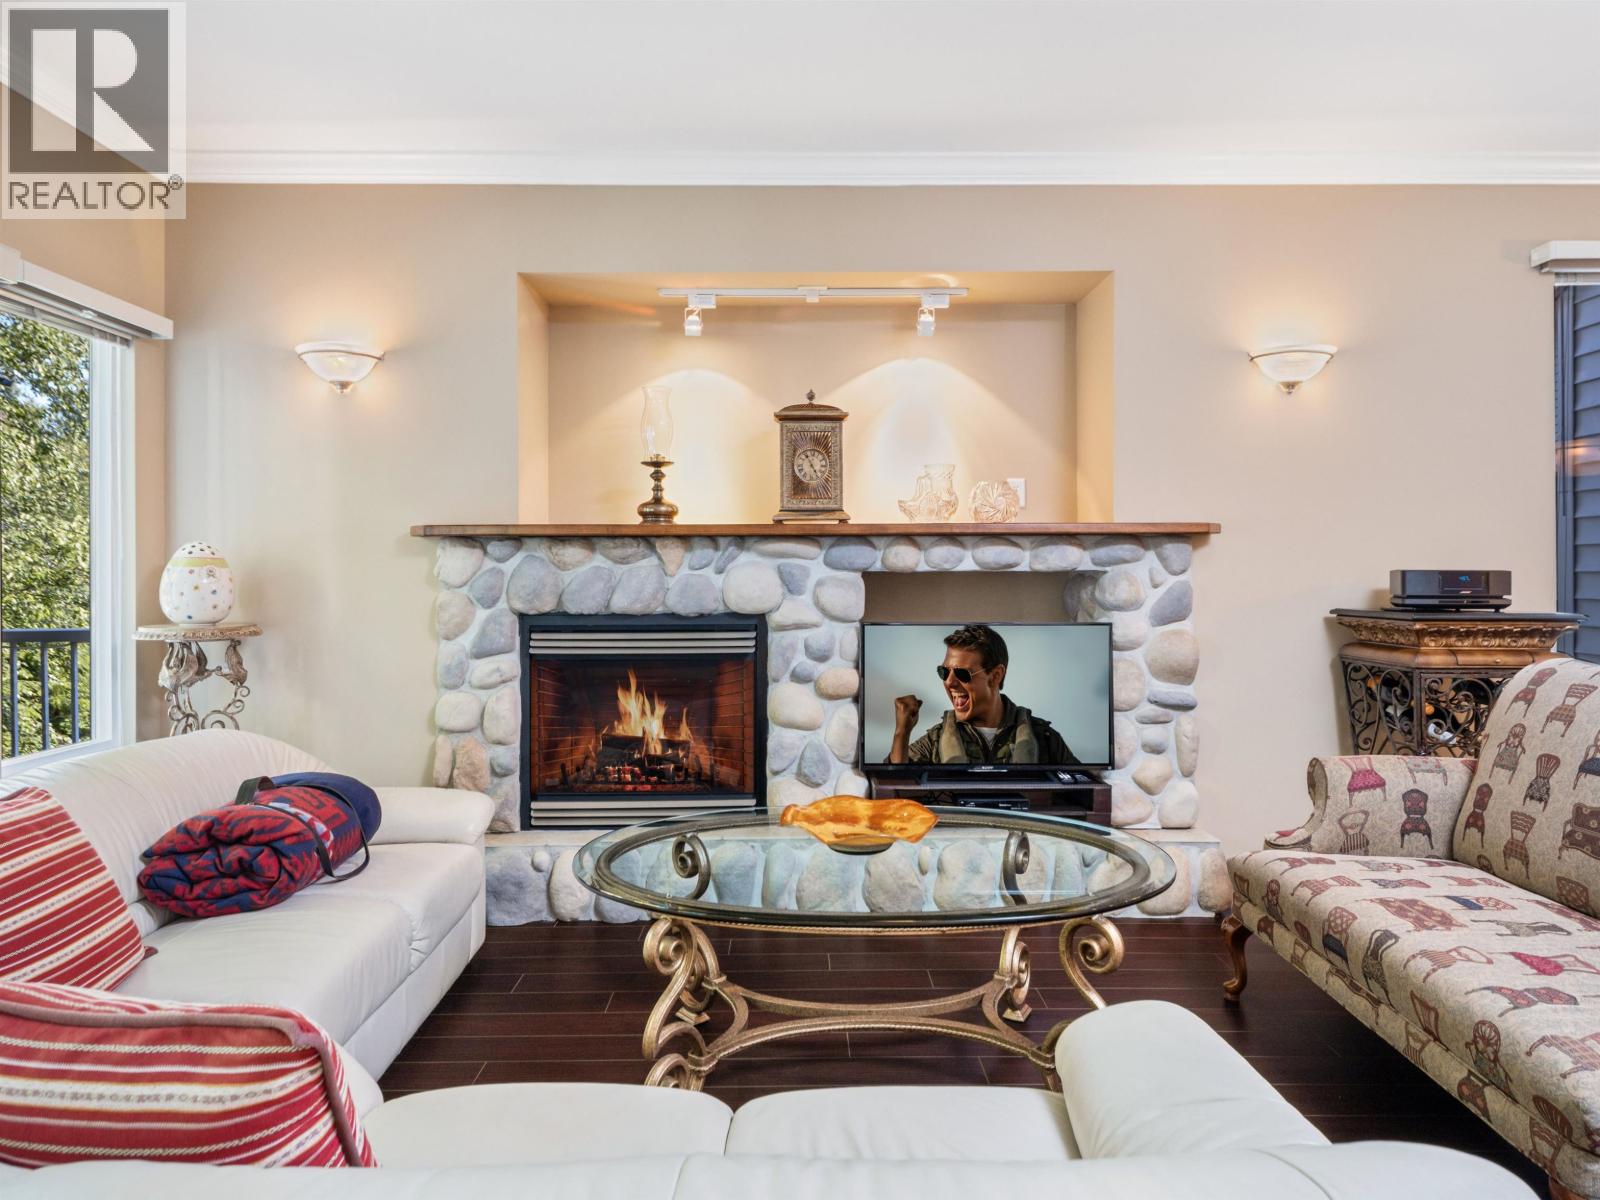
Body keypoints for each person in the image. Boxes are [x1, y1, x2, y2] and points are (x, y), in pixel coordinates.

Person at [889, 624, 1079, 765]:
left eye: (962, 673)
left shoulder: (1044, 738)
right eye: (944, 672)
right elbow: (894, 792)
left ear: (995, 675)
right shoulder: (935, 740)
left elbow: (1083, 793)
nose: (949, 682)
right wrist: (902, 733)